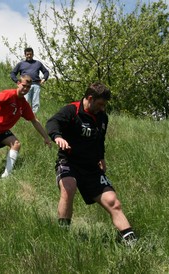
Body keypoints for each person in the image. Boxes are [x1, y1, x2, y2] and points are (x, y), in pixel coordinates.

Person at [45, 82, 137, 245]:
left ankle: (133, 243)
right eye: (100, 104)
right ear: (89, 98)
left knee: (113, 202)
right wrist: (57, 137)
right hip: (68, 161)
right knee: (68, 188)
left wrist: (101, 158)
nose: (102, 108)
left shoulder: (103, 117)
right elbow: (52, 122)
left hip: (91, 167)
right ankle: (62, 238)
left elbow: (100, 140)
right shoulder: (71, 110)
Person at [10, 47, 49, 114]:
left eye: (30, 54)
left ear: (33, 54)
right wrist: (17, 81)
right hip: (25, 85)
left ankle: (34, 116)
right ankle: (24, 115)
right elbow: (13, 73)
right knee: (25, 101)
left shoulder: (38, 63)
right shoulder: (21, 64)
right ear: (25, 55)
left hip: (36, 84)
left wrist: (44, 79)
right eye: (27, 54)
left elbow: (46, 72)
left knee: (36, 102)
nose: (29, 56)